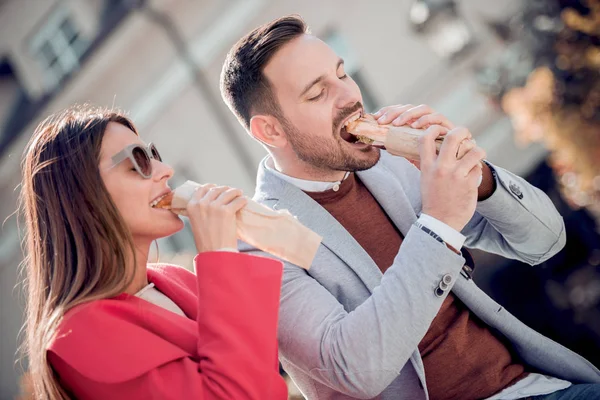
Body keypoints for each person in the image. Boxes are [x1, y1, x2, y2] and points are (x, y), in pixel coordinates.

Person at [219, 15, 600, 400]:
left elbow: (546, 240)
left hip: (532, 386)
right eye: (317, 94)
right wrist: (438, 224)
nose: (350, 97)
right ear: (270, 130)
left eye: (342, 74)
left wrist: (475, 174)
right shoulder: (255, 241)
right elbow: (354, 369)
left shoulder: (393, 162)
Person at [19, 106, 287, 399]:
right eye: (138, 160)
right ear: (84, 197)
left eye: (153, 154)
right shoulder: (79, 336)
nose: (165, 170)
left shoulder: (178, 280)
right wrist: (219, 254)